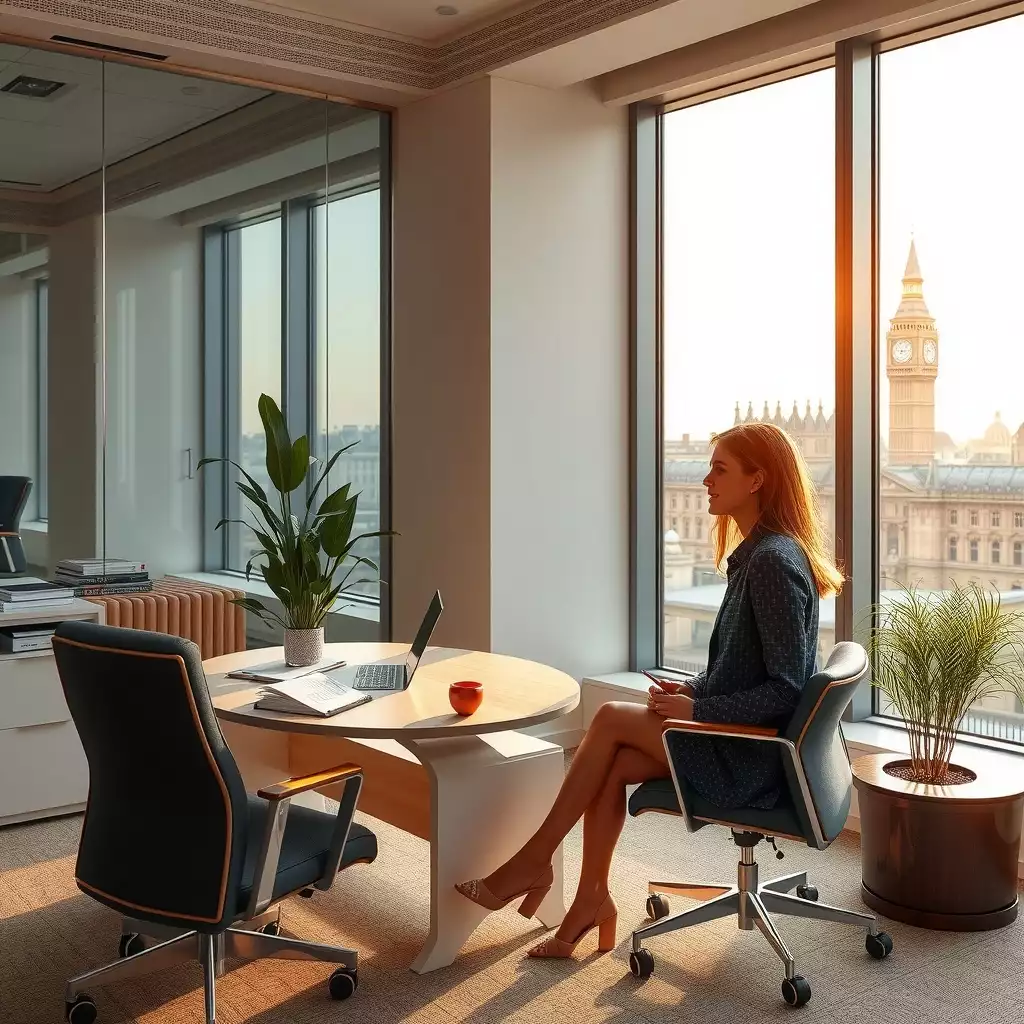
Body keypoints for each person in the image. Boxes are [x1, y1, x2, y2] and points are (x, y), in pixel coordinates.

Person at [455, 421, 844, 959]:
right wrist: (691, 690)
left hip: (753, 759)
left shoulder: (773, 563)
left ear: (758, 480)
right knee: (610, 764)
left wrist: (698, 707)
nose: (705, 479)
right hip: (734, 738)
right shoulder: (758, 556)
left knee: (612, 719)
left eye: (720, 468)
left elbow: (783, 690)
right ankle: (589, 899)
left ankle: (534, 861)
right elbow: (746, 669)